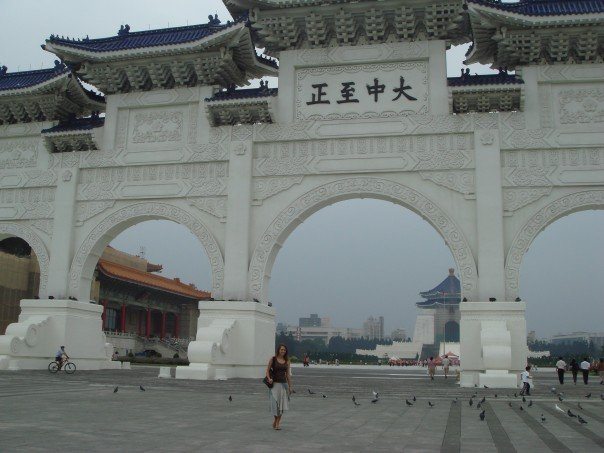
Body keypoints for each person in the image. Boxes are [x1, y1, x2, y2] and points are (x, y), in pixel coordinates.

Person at [266, 344, 292, 430]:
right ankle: (275, 420)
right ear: (278, 350)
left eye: (284, 350)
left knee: (282, 405)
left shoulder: (287, 361)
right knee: (275, 405)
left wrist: (290, 386)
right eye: (281, 349)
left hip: (283, 384)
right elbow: (267, 370)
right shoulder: (273, 359)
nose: (283, 351)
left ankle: (277, 423)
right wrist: (269, 378)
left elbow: (288, 375)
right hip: (274, 385)